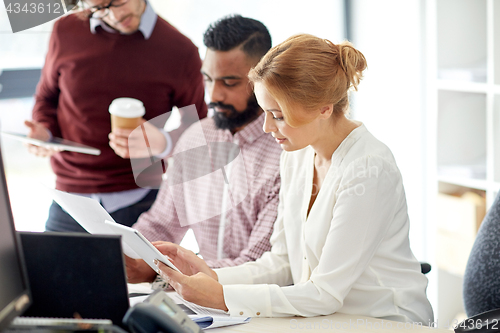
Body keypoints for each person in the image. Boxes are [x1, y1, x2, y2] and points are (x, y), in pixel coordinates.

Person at [152, 34, 434, 323]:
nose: (266, 127)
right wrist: (209, 276)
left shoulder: (368, 169)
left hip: (385, 320)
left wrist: (222, 297)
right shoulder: (297, 155)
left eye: (278, 115)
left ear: (324, 108)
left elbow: (325, 293)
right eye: (265, 113)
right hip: (327, 318)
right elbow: (283, 262)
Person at [24, 0, 207, 232]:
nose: (115, 15)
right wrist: (45, 131)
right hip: (69, 199)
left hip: (141, 202)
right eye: (99, 9)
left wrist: (163, 142)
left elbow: (200, 127)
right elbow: (46, 97)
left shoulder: (181, 51)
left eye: (119, 1)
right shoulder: (65, 30)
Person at [126, 15, 282, 283]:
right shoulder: (196, 138)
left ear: (263, 78)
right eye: (208, 79)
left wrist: (161, 273)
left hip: (255, 303)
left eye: (229, 83)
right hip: (195, 297)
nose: (214, 95)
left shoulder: (286, 152)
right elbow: (161, 223)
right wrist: (119, 253)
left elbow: (257, 265)